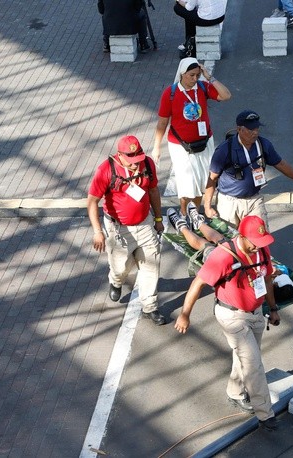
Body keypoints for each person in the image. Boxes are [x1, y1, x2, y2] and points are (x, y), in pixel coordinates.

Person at [173, 215, 281, 432]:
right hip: (232, 316)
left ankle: (234, 391)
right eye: (255, 243)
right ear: (242, 236)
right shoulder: (222, 258)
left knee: (245, 357)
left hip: (256, 313)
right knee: (253, 363)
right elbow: (198, 283)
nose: (259, 247)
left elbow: (267, 279)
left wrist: (273, 308)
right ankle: (265, 413)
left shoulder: (261, 251)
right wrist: (185, 314)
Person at [87, 135, 166, 326]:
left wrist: (157, 218)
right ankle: (116, 280)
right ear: (120, 156)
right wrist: (98, 231)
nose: (135, 165)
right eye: (131, 162)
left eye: (137, 160)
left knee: (151, 263)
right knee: (121, 266)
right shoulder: (106, 170)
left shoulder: (147, 164)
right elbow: (92, 202)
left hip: (145, 223)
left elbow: (153, 191)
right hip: (118, 228)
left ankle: (150, 306)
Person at [203, 110, 293, 227]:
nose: (255, 133)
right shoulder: (224, 150)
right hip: (229, 202)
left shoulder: (264, 145)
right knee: (230, 242)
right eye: (250, 130)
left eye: (257, 129)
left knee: (260, 237)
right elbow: (212, 179)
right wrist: (207, 207)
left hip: (254, 200)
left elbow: (281, 164)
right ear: (239, 129)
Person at [153, 57, 231, 216]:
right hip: (181, 146)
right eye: (191, 75)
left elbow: (226, 95)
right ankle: (184, 213)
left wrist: (209, 77)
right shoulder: (170, 93)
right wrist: (156, 147)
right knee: (187, 184)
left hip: (204, 141)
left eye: (197, 75)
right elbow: (162, 123)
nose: (195, 79)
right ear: (182, 74)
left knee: (206, 178)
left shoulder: (202, 87)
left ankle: (198, 211)